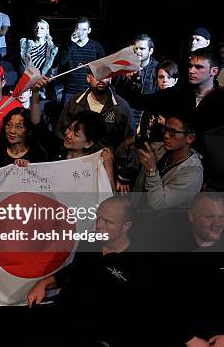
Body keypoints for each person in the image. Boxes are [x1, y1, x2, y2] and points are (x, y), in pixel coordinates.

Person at [27, 196, 143, 346]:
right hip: (64, 320)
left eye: (107, 221)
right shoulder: (89, 242)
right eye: (98, 218)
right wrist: (45, 282)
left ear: (126, 225)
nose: (98, 225)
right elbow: (74, 270)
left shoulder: (139, 262)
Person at [132, 113, 203, 212]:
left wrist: (152, 170)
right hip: (136, 210)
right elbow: (133, 156)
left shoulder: (192, 174)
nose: (166, 136)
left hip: (162, 222)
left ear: (190, 138)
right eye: (165, 130)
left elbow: (158, 203)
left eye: (172, 132)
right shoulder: (159, 148)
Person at [57, 17, 105, 105]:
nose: (81, 32)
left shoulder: (97, 47)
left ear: (89, 30)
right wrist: (71, 44)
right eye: (78, 29)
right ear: (75, 30)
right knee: (68, 118)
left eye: (84, 29)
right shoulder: (68, 45)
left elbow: (101, 70)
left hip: (90, 91)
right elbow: (62, 62)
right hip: (70, 91)